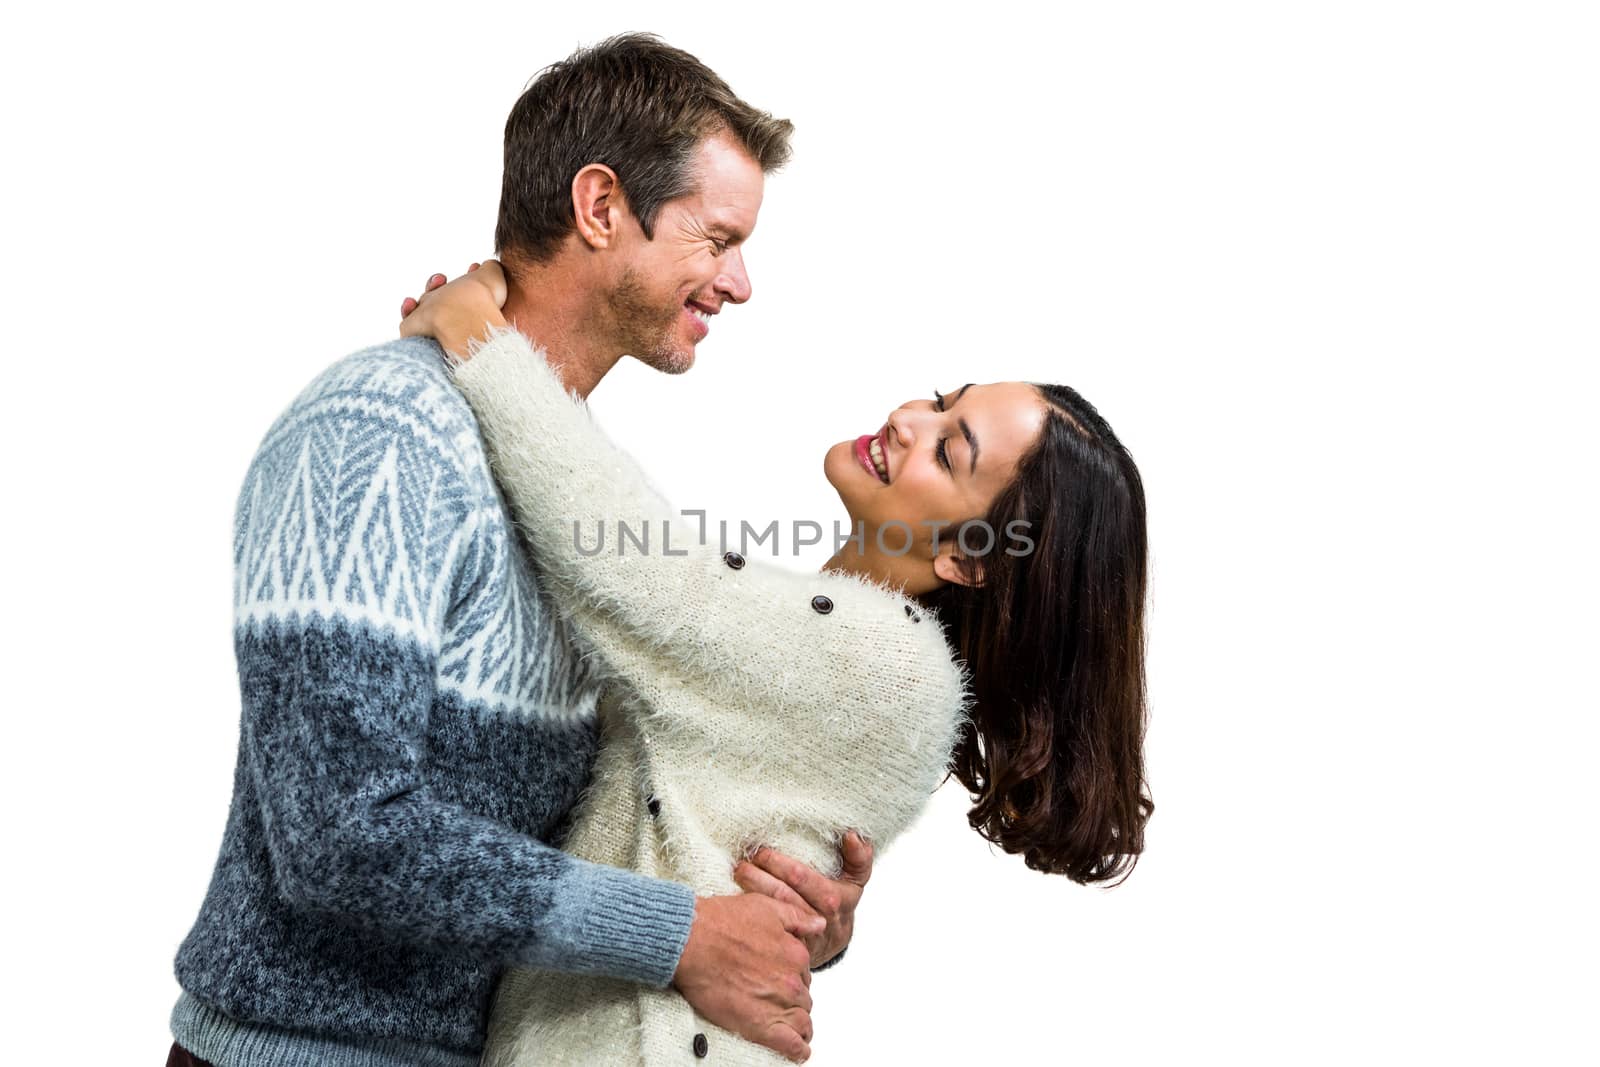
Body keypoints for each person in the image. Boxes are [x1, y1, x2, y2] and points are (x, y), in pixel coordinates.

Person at [167, 34, 866, 1067]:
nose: (741, 282)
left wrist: (784, 909)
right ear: (599, 207)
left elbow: (608, 815)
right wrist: (676, 935)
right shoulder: (382, 431)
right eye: (715, 238)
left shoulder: (570, 482)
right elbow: (340, 832)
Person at [393, 259, 1154, 1066]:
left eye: (949, 449)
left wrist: (482, 336)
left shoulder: (885, 664)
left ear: (973, 558)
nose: (907, 421)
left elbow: (632, 567)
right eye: (940, 403)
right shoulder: (832, 637)